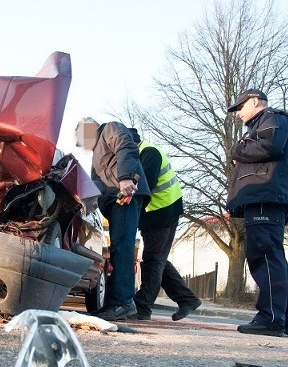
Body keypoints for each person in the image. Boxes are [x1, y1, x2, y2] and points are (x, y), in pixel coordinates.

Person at [226, 88, 288, 337]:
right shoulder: (262, 124)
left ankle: (270, 317)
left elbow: (270, 146)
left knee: (264, 255)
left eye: (240, 107)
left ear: (255, 101)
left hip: (265, 195)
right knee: (272, 255)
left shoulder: (272, 119)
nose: (238, 113)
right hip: (264, 196)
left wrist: (237, 150)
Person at [128, 128, 202, 321]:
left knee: (153, 260)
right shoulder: (144, 151)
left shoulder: (149, 152)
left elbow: (144, 187)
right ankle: (187, 299)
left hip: (162, 213)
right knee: (158, 258)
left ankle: (142, 307)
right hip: (160, 213)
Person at [83, 119, 149, 321]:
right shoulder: (97, 154)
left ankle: (123, 303)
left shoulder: (110, 129)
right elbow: (98, 184)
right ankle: (116, 302)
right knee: (118, 248)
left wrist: (126, 178)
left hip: (125, 195)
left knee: (122, 248)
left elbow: (126, 147)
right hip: (115, 201)